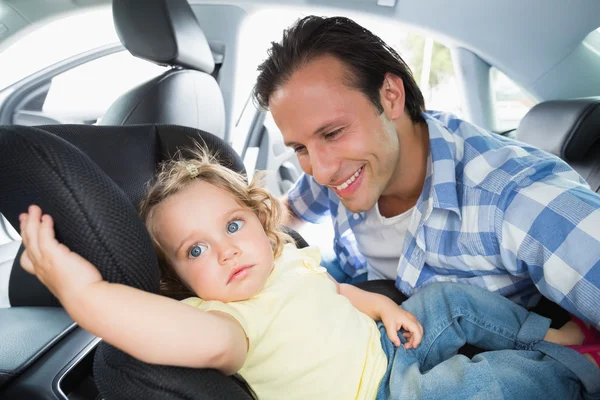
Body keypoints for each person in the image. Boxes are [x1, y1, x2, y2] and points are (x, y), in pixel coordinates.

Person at [18, 149, 600, 399]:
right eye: (194, 252)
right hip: (382, 394)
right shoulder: (224, 323)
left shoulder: (288, 261)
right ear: (176, 280)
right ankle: (575, 368)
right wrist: (82, 291)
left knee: (446, 297)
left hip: (386, 343)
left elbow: (339, 291)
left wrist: (385, 308)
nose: (223, 252)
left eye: (233, 226)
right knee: (495, 385)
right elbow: (157, 331)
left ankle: (546, 333)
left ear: (260, 222)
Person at [253, 15, 600, 329]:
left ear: (390, 96)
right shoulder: (340, 166)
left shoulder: (516, 197)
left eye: (332, 133)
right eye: (300, 148)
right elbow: (291, 210)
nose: (322, 171)